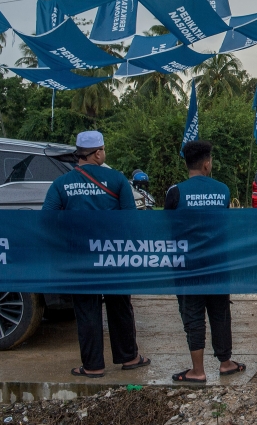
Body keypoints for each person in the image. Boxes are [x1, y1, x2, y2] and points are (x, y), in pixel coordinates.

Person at [42, 131, 150, 378]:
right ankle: (129, 357)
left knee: (86, 309)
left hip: (80, 257)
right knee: (120, 306)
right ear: (98, 153)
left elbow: (47, 220)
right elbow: (130, 221)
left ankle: (93, 366)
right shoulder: (117, 179)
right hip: (114, 256)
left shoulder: (62, 183)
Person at [165, 141, 245, 383]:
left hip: (188, 266)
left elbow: (167, 227)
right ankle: (226, 363)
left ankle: (197, 371)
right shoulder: (222, 190)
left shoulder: (175, 192)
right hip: (218, 264)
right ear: (207, 164)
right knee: (220, 313)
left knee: (193, 315)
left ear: (187, 164)